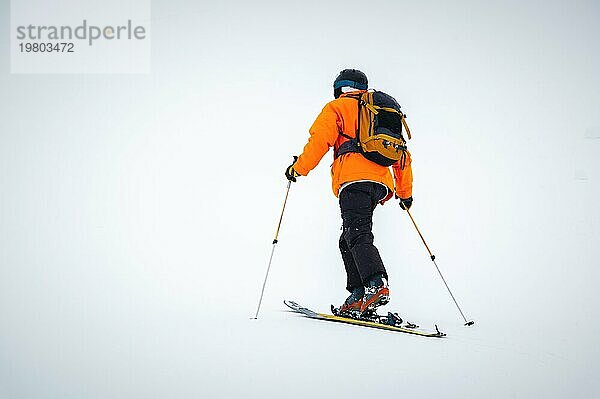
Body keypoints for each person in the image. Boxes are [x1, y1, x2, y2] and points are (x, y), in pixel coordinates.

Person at [284, 68, 414, 316]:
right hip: (380, 184)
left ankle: (375, 285)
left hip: (353, 180)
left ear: (339, 88)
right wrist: (405, 193)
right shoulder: (380, 111)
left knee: (357, 232)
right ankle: (357, 294)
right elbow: (402, 155)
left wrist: (298, 169)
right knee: (348, 237)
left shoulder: (337, 108)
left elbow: (319, 141)